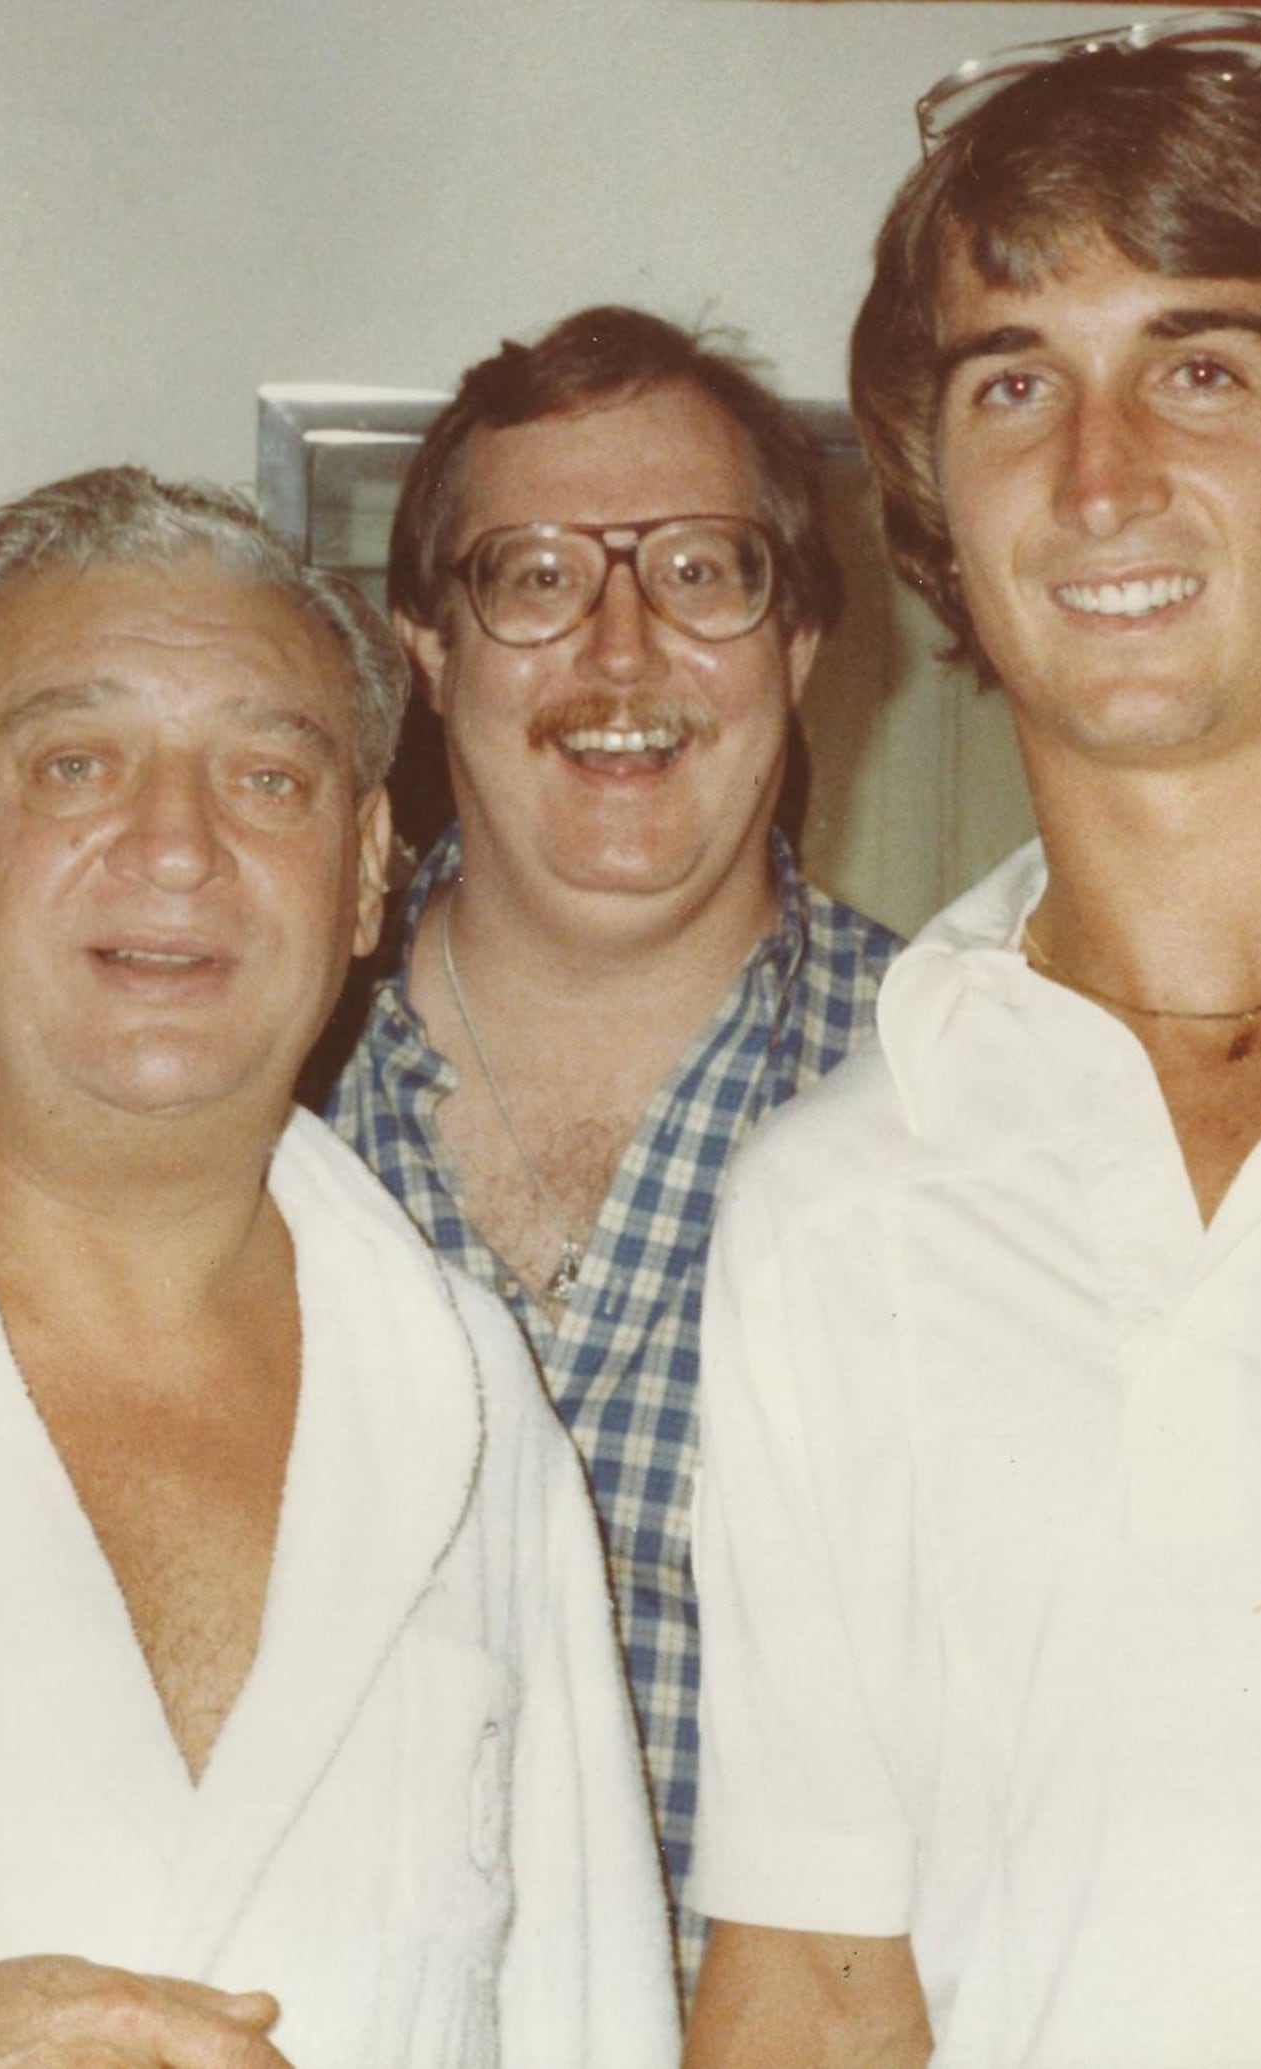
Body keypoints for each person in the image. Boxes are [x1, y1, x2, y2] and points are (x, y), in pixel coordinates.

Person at [685, 17, 1261, 2068]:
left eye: (1197, 366)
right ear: (932, 494)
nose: (1098, 474)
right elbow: (810, 1983)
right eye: (1011, 380)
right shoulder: (829, 1212)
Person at [0, 466, 678, 2069]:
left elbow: (588, 2031)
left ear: (373, 865)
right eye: (79, 761)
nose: (176, 848)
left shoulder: (461, 1399)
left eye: (267, 777)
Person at [324, 304, 902, 1985]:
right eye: (537, 576)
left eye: (706, 573)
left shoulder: (980, 1104)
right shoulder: (241, 1094)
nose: (624, 650)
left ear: (798, 646)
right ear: (431, 651)